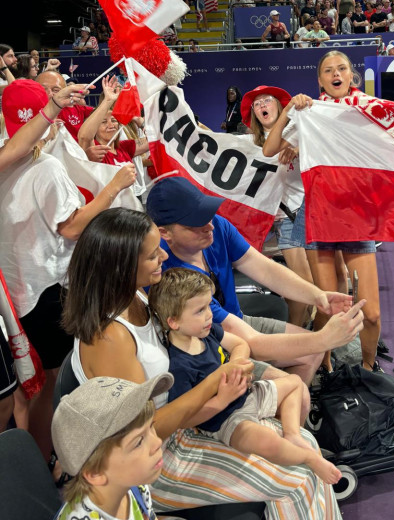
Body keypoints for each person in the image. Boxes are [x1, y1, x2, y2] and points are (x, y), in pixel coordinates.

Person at [62, 208, 343, 518]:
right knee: (301, 476)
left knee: (303, 443)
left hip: (188, 423)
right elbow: (144, 430)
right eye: (153, 255)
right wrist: (218, 383)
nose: (164, 258)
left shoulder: (138, 297)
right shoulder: (109, 336)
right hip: (150, 460)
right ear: (123, 265)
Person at [0, 80, 136, 458]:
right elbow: (73, 227)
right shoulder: (46, 168)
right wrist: (114, 187)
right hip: (47, 287)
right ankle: (46, 460)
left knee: (25, 389)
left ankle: (31, 462)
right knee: (51, 383)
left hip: (16, 291)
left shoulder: (5, 161)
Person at [146, 177, 363, 391]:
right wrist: (324, 339)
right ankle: (277, 417)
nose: (209, 225)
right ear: (165, 232)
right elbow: (250, 341)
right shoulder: (171, 277)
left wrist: (318, 296)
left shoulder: (218, 227)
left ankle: (287, 416)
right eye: (196, 223)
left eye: (208, 214)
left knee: (310, 355)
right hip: (208, 345)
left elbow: (264, 268)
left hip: (236, 322)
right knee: (294, 377)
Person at [149, 268, 341, 484]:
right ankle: (309, 458)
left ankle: (293, 434)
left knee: (295, 383)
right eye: (200, 310)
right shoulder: (179, 365)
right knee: (268, 442)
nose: (209, 315)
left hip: (248, 394)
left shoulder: (207, 332)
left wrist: (237, 366)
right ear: (174, 322)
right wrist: (223, 399)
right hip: (227, 420)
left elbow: (240, 344)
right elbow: (187, 418)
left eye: (208, 306)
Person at [262, 51, 385, 374]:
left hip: (356, 216)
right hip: (317, 216)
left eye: (342, 68)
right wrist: (289, 109)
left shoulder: (368, 109)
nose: (336, 73)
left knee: (371, 313)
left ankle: (370, 371)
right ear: (320, 80)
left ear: (351, 75)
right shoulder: (310, 112)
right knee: (328, 308)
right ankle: (326, 369)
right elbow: (269, 149)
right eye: (328, 70)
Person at [241, 85, 315, 327]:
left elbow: (323, 144)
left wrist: (298, 149)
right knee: (302, 285)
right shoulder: (249, 143)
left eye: (267, 101)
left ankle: (306, 336)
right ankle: (296, 336)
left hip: (311, 213)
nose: (263, 106)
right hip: (285, 218)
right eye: (257, 103)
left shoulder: (299, 130)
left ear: (279, 106)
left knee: (316, 283)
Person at [52, 374, 171, 520]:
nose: (158, 442)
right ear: (96, 473)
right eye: (139, 442)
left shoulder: (135, 487)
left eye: (151, 426)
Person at [78, 76, 149, 167]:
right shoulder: (95, 151)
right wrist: (108, 100)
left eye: (114, 120)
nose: (111, 125)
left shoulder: (124, 147)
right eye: (103, 122)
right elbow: (84, 137)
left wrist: (138, 120)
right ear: (95, 129)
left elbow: (153, 139)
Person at [36, 70, 95, 143]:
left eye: (56, 90)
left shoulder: (71, 108)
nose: (50, 94)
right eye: (43, 89)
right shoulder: (25, 115)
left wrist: (108, 100)